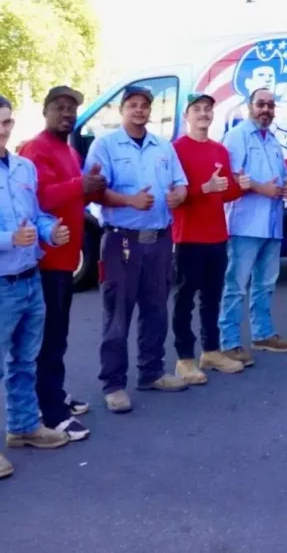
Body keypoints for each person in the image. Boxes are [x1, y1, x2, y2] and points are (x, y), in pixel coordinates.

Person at [0, 93, 72, 481]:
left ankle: (23, 426)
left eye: (6, 122)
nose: (0, 129)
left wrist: (49, 231)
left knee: (25, 360)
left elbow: (36, 215)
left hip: (30, 278)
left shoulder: (24, 167)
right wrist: (10, 239)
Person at [84, 86, 191, 413]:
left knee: (156, 309)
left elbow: (181, 183)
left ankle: (152, 372)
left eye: (145, 105)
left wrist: (179, 196)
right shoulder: (105, 146)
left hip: (159, 239)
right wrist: (130, 200)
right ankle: (113, 384)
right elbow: (94, 192)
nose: (140, 110)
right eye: (133, 105)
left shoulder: (163, 146)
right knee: (118, 314)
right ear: (122, 109)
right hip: (122, 241)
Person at [18, 85, 103, 442]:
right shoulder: (35, 149)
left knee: (58, 334)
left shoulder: (68, 150)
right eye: (60, 107)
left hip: (67, 259)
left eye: (72, 108)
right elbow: (39, 198)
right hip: (46, 259)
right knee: (47, 337)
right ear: (46, 111)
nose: (67, 114)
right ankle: (49, 410)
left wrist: (91, 187)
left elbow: (73, 194)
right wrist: (80, 184)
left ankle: (53, 391)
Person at [172, 93, 256, 383]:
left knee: (212, 298)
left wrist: (240, 186)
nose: (203, 114)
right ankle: (184, 358)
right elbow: (173, 197)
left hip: (217, 237)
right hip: (188, 237)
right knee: (184, 300)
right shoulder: (176, 150)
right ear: (187, 115)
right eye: (197, 109)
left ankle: (210, 351)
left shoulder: (219, 149)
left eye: (207, 109)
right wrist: (203, 189)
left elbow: (226, 193)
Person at [218, 88, 287, 365]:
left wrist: (285, 188)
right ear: (249, 106)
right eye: (260, 104)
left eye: (270, 105)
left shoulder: (272, 140)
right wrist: (261, 188)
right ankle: (228, 342)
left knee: (265, 283)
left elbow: (281, 177)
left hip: (272, 224)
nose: (266, 109)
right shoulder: (237, 136)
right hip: (245, 224)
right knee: (236, 285)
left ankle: (262, 334)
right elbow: (232, 176)